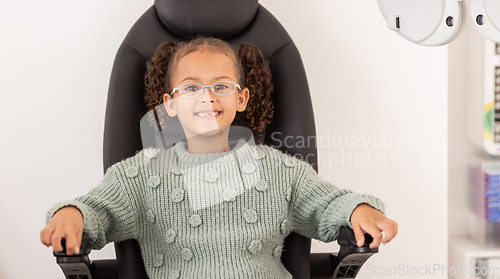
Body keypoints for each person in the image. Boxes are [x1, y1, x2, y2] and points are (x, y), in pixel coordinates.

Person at [40, 36, 398, 279]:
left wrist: (358, 209)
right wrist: (71, 215)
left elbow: (328, 204)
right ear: (171, 105)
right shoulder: (139, 177)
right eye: (192, 87)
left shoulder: (279, 171)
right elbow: (95, 209)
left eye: (221, 86)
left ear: (240, 99)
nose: (207, 97)